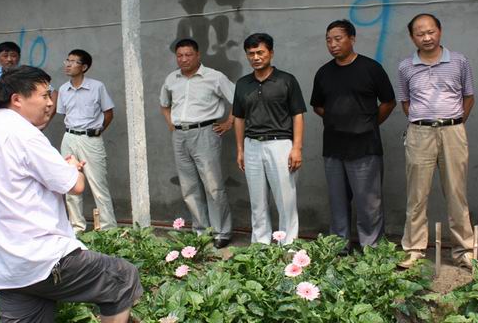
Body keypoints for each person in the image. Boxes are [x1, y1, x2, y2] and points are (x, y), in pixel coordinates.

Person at [0, 65, 142, 323]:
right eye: (43, 95)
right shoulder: (26, 135)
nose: (50, 103)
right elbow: (75, 185)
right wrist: (72, 167)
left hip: (7, 265)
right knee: (121, 278)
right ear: (17, 99)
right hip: (44, 257)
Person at [310, 20, 396, 254]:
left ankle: (372, 249)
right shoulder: (324, 73)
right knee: (338, 202)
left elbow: (389, 102)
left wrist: (369, 123)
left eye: (338, 38)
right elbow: (317, 105)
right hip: (333, 148)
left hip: (365, 147)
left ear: (352, 38)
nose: (333, 44)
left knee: (369, 203)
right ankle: (339, 247)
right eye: (328, 40)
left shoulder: (371, 68)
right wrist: (336, 119)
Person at [397, 13, 475, 269]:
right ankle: (414, 250)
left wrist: (452, 122)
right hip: (419, 133)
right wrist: (424, 122)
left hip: (453, 130)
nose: (426, 37)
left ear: (440, 31)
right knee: (416, 194)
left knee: (456, 193)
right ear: (412, 37)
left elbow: (468, 97)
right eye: (420, 33)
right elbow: (406, 103)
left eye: (431, 31)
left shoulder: (459, 61)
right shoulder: (405, 67)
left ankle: (464, 251)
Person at [160, 38, 235, 248]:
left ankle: (222, 231)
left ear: (198, 55)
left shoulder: (214, 77)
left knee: (213, 186)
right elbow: (164, 104)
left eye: (188, 55)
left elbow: (239, 99)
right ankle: (201, 231)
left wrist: (229, 122)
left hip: (205, 133)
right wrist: (171, 124)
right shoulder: (172, 79)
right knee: (189, 187)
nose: (183, 59)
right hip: (180, 136)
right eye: (180, 55)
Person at [233, 33, 306, 245]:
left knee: (286, 200)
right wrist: (240, 150)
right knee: (257, 201)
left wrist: (297, 148)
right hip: (252, 145)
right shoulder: (243, 84)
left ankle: (288, 247)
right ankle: (260, 246)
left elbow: (298, 115)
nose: (255, 57)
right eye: (251, 54)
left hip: (281, 144)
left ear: (271, 53)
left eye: (260, 52)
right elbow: (238, 118)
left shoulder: (286, 81)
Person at [56, 49, 117, 233]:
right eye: (67, 60)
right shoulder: (63, 90)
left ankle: (108, 230)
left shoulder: (97, 87)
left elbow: (109, 114)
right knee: (69, 184)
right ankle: (77, 227)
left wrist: (97, 131)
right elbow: (64, 114)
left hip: (91, 138)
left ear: (84, 67)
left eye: (73, 61)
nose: (68, 64)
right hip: (69, 137)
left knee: (98, 184)